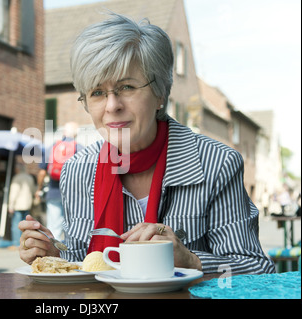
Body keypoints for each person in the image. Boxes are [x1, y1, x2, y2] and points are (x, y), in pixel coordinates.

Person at [19, 13, 275, 274]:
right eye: (97, 93)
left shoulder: (217, 164)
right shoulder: (77, 171)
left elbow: (258, 269)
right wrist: (53, 255)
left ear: (160, 93)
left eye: (127, 87)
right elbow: (85, 263)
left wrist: (190, 261)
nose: (112, 106)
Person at [35, 122, 82, 240]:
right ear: (76, 134)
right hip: (73, 194)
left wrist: (38, 189)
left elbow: (42, 172)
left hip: (53, 191)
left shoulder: (52, 147)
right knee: (72, 226)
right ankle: (71, 253)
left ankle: (53, 253)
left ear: (63, 133)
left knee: (53, 226)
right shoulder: (80, 148)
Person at [8, 163, 36, 249]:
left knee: (16, 225)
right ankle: (24, 243)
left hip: (18, 205)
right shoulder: (29, 178)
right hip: (27, 204)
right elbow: (33, 190)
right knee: (25, 225)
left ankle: (17, 243)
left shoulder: (17, 178)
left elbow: (14, 192)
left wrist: (10, 205)